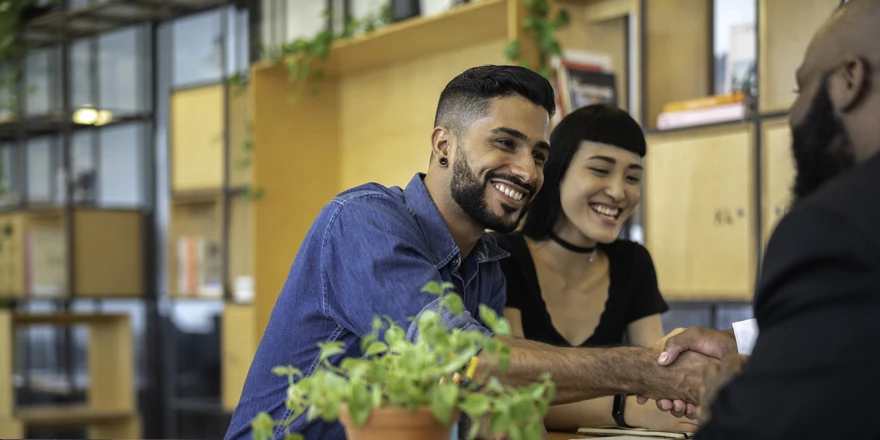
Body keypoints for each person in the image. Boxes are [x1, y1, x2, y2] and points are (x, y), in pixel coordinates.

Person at [224, 65, 714, 440]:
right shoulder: (362, 221)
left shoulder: (488, 266)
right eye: (505, 143)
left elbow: (496, 401)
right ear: (443, 144)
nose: (528, 172)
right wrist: (649, 370)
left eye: (539, 155)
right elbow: (466, 358)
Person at [648, 0, 880, 438]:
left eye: (802, 90)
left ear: (852, 79)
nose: (792, 118)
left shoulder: (835, 226)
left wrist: (726, 408)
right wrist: (743, 341)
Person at [490, 104, 694, 433]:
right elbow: (515, 389)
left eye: (632, 177)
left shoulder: (633, 262)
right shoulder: (503, 254)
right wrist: (624, 409)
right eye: (600, 170)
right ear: (557, 170)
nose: (618, 192)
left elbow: (659, 374)